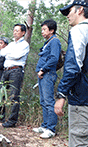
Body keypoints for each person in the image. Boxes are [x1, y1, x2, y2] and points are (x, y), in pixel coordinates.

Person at [54, 0, 88, 146]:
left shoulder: (79, 30)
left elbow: (73, 66)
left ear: (80, 10)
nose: (67, 15)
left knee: (79, 139)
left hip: (82, 97)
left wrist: (61, 94)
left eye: (70, 11)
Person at [32, 19, 61, 139]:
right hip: (43, 75)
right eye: (42, 30)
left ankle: (51, 129)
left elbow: (54, 58)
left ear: (52, 30)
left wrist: (43, 69)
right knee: (43, 101)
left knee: (49, 102)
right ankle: (44, 126)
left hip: (48, 74)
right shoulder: (47, 42)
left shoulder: (55, 41)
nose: (42, 32)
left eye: (44, 29)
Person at [0, 24, 30, 128]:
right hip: (6, 71)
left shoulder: (25, 44)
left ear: (23, 33)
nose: (14, 32)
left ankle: (12, 121)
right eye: (14, 30)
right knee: (0, 93)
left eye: (17, 30)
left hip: (16, 71)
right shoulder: (11, 44)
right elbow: (2, 52)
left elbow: (17, 56)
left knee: (14, 96)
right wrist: (9, 53)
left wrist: (9, 54)